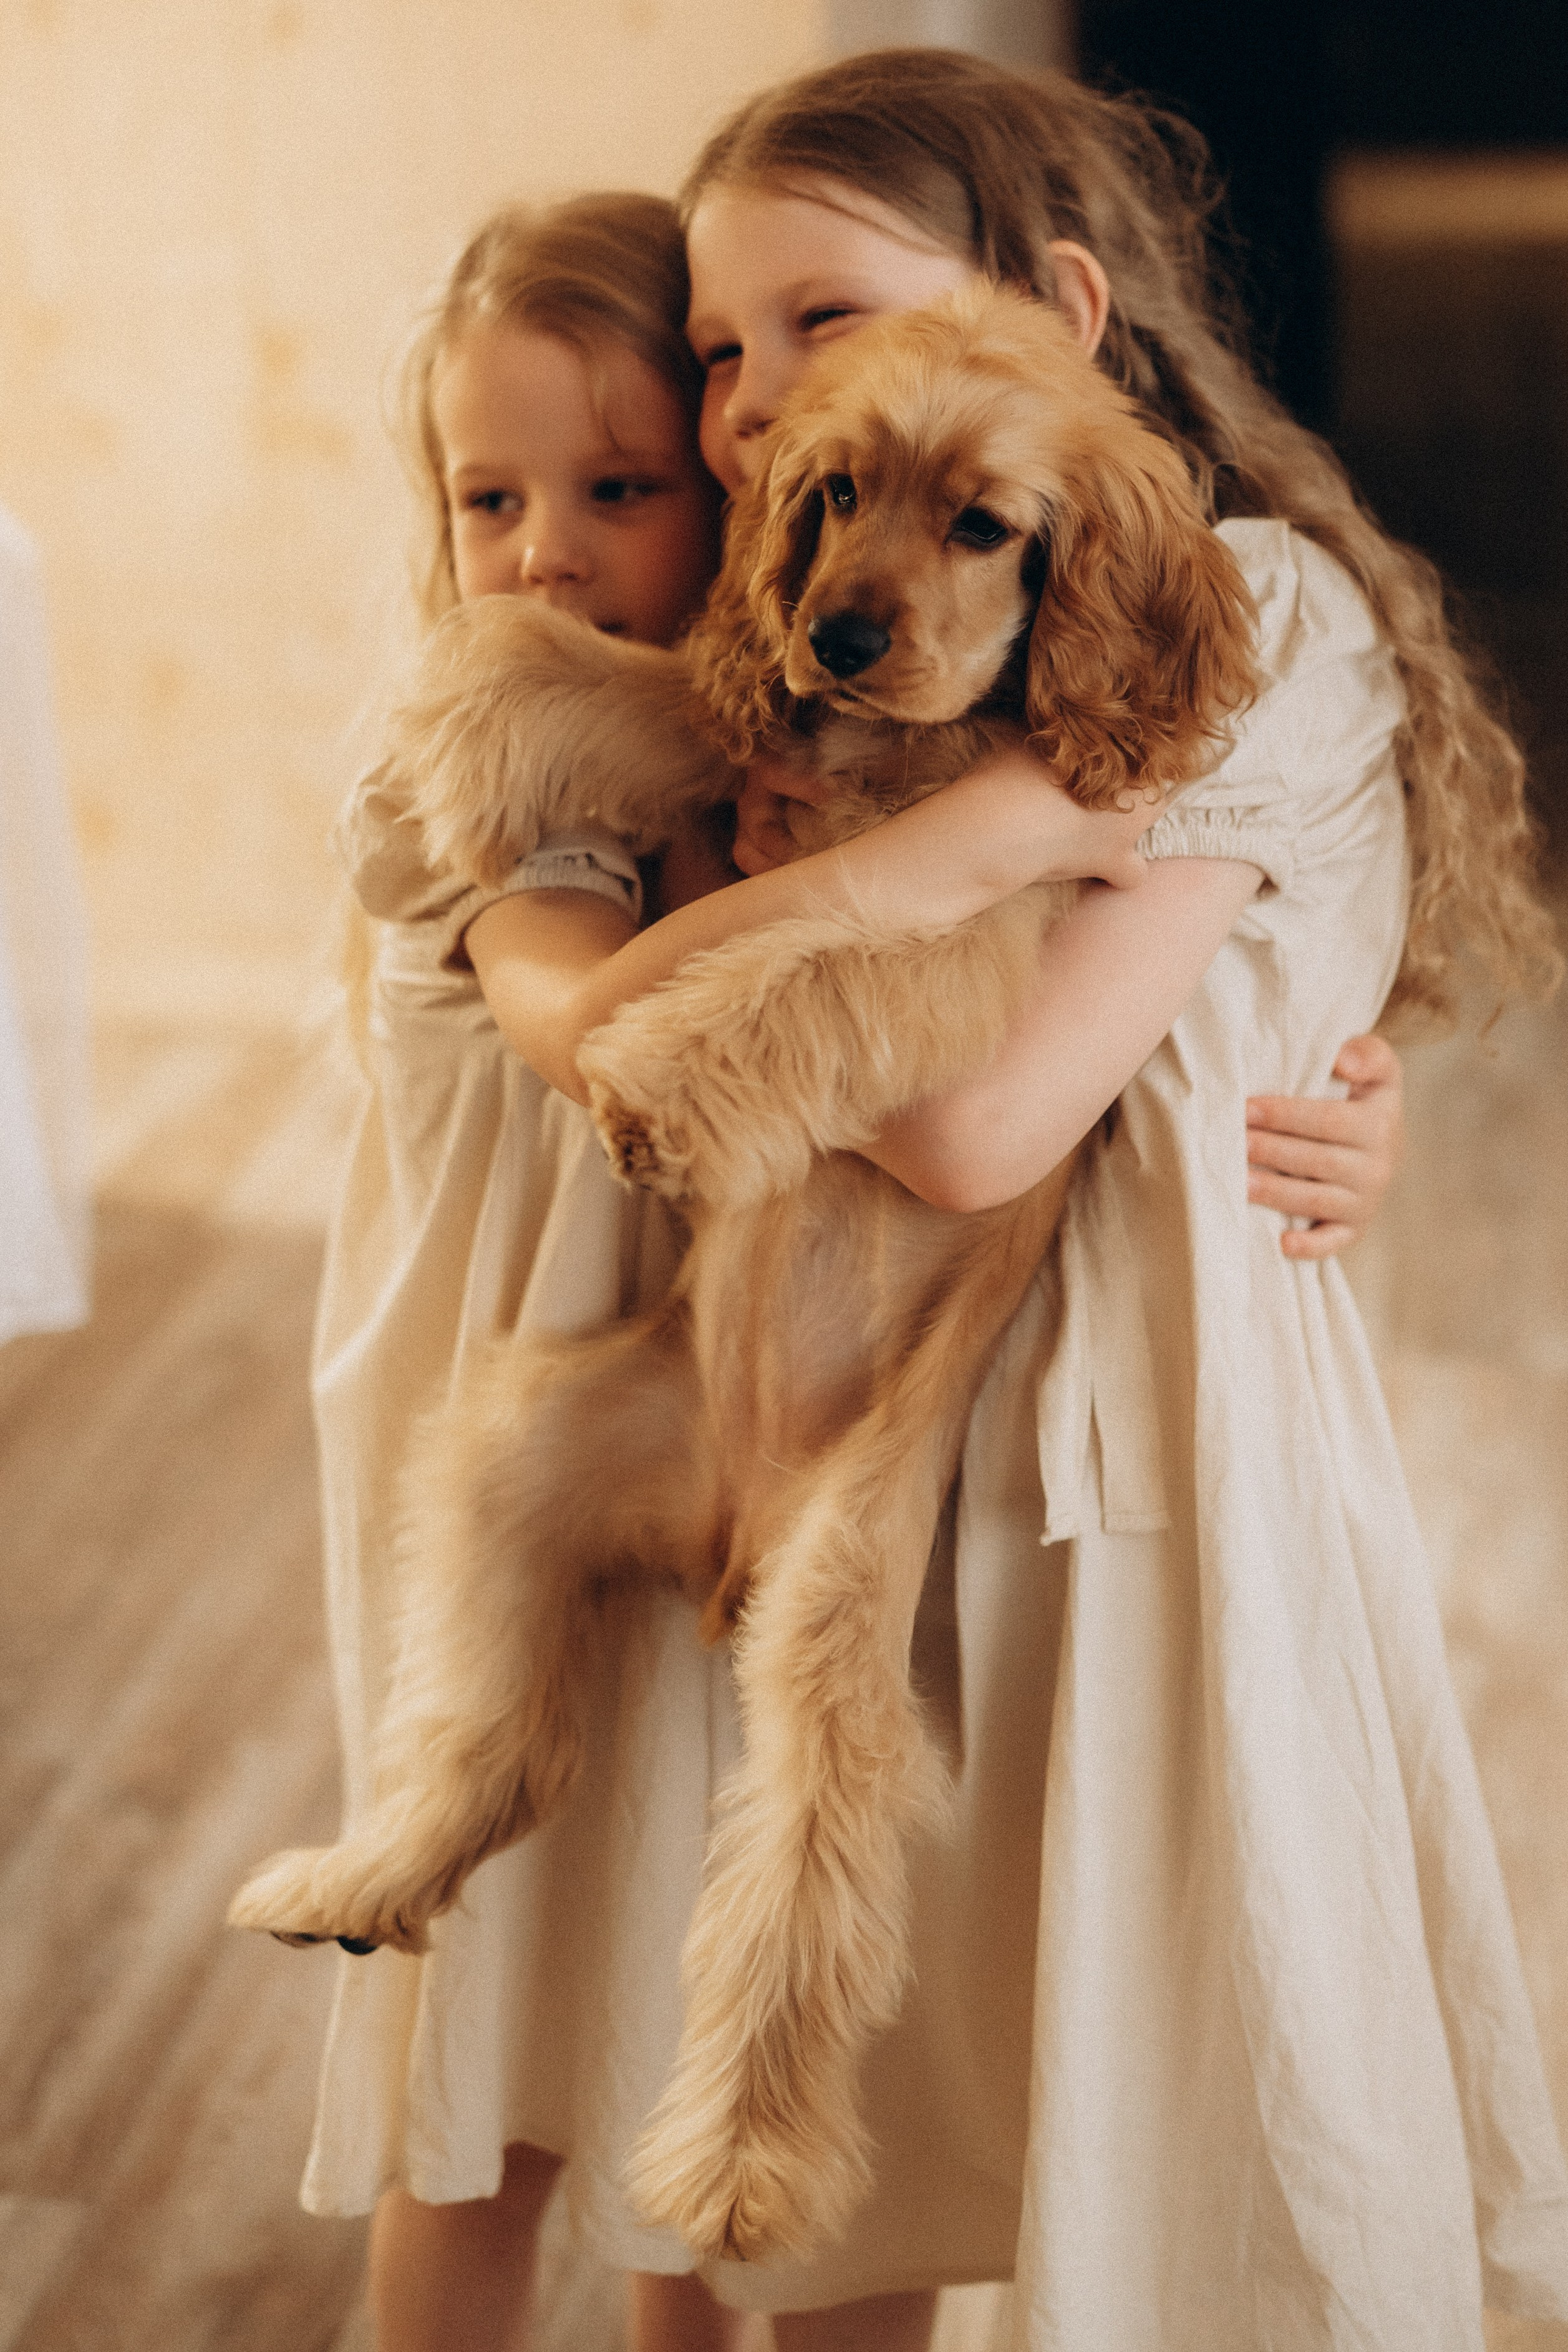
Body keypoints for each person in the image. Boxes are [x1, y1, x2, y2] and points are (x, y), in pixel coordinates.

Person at [291, 69, 1474, 2342]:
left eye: (808, 321)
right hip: (715, 1358)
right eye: (723, 359)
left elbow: (989, 1109)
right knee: (574, 2012)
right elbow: (625, 985)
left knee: (911, 2086)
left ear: (1054, 302)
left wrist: (1318, 1050)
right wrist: (969, 850)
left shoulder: (1232, 607)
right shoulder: (716, 648)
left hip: (1060, 1467)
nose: (758, 408)